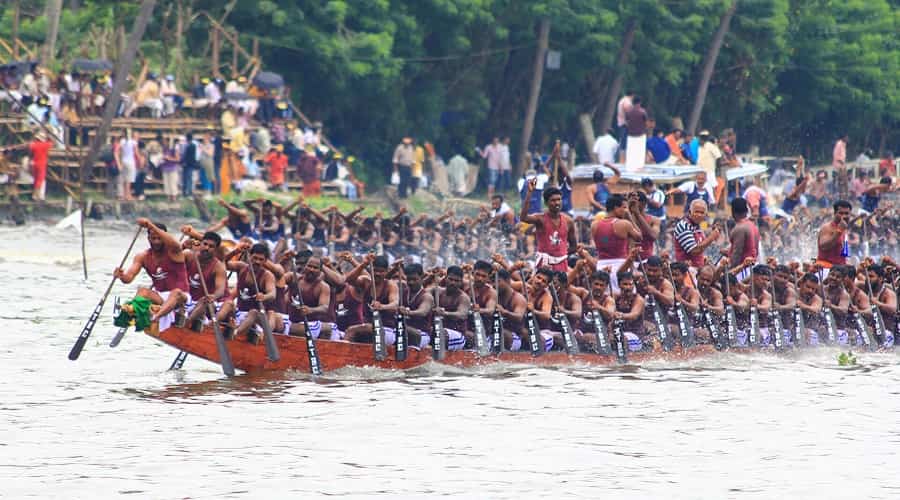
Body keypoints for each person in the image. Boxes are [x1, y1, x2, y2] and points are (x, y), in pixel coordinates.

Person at [113, 219, 188, 331]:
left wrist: (150, 225)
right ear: (148, 238)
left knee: (175, 292)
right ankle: (131, 312)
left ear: (165, 237)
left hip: (181, 298)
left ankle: (155, 318)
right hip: (161, 298)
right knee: (142, 291)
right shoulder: (142, 256)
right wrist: (121, 276)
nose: (157, 242)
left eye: (160, 238)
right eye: (153, 238)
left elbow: (175, 243)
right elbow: (128, 278)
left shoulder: (174, 251)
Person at [521, 181, 575, 271]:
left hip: (562, 264)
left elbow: (573, 246)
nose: (557, 203)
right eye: (553, 200)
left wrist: (560, 255)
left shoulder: (569, 221)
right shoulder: (540, 219)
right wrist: (529, 193)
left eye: (559, 199)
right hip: (544, 264)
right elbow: (524, 218)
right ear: (546, 203)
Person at [591, 194, 641, 283]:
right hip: (621, 267)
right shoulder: (624, 224)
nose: (625, 210)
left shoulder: (594, 225)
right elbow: (639, 237)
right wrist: (629, 215)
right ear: (616, 208)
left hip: (601, 268)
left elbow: (605, 240)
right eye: (624, 207)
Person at [672, 199, 720, 269]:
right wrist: (711, 237)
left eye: (702, 213)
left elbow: (701, 246)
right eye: (696, 212)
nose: (699, 215)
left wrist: (704, 258)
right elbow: (694, 251)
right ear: (689, 212)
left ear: (705, 215)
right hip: (685, 270)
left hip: (698, 269)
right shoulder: (684, 226)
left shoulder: (697, 225)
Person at [722, 198, 759, 280]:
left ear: (733, 212)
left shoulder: (740, 228)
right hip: (752, 268)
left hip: (742, 271)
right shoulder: (753, 226)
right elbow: (751, 250)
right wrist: (728, 252)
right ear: (746, 211)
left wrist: (729, 273)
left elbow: (737, 254)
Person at [816, 200, 851, 270]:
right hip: (825, 269)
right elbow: (823, 246)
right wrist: (839, 231)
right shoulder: (827, 227)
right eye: (841, 213)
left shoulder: (844, 228)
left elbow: (844, 254)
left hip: (840, 270)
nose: (844, 216)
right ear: (834, 213)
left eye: (846, 213)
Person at [624, 96, 648, 172]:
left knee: (631, 152)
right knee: (640, 152)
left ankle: (630, 168)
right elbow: (646, 122)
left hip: (631, 135)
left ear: (632, 103)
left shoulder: (628, 111)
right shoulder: (643, 111)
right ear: (640, 102)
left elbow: (627, 122)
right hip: (640, 134)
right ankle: (639, 167)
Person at [28, 131, 52, 202]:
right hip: (41, 164)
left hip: (34, 163)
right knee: (40, 180)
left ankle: (36, 195)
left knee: (36, 179)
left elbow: (30, 151)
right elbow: (52, 143)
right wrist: (49, 137)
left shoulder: (33, 145)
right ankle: (35, 195)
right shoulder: (46, 145)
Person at [615, 90, 634, 162]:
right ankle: (623, 160)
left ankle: (622, 159)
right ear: (632, 96)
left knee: (623, 142)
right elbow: (627, 110)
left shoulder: (621, 100)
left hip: (621, 123)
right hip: (625, 124)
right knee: (624, 142)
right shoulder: (627, 101)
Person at [180, 132, 199, 197]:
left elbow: (188, 156)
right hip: (188, 164)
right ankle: (186, 192)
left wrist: (184, 162)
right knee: (186, 179)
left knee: (188, 179)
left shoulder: (190, 145)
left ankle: (188, 192)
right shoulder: (191, 145)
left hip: (188, 164)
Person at [832, 134, 849, 200]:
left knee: (844, 183)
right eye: (846, 137)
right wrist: (841, 162)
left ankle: (844, 197)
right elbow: (835, 155)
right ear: (843, 137)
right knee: (842, 182)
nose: (847, 139)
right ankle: (841, 197)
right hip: (839, 166)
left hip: (842, 165)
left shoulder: (844, 145)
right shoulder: (839, 144)